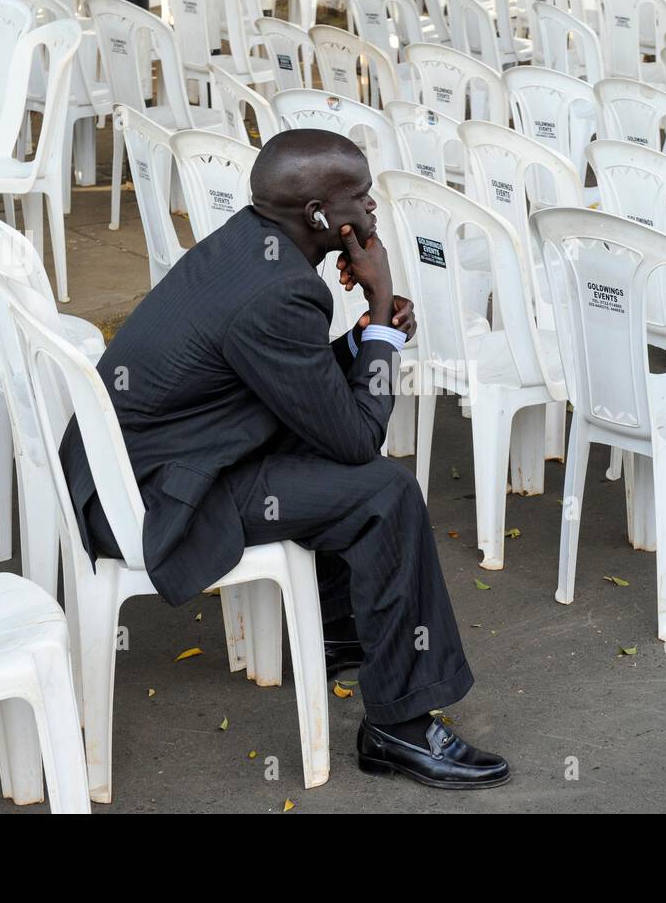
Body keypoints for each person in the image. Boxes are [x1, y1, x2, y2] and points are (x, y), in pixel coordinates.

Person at [59, 129, 511, 790]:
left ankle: (336, 635)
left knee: (329, 461)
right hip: (155, 495)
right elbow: (356, 437)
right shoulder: (281, 291)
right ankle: (400, 729)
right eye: (359, 196)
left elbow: (296, 390)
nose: (373, 208)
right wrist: (381, 314)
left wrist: (362, 342)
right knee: (383, 491)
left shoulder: (246, 244)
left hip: (138, 463)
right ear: (319, 217)